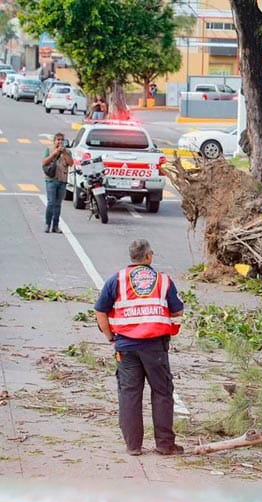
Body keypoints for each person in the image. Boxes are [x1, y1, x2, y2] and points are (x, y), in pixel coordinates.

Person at [94, 239, 185, 456]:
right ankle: (164, 444)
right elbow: (178, 312)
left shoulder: (116, 280)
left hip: (125, 347)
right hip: (155, 347)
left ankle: (133, 446)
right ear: (148, 257)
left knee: (129, 393)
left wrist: (110, 338)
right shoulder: (163, 281)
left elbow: (100, 312)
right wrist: (169, 329)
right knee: (162, 392)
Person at [42, 133, 73, 234]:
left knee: (58, 204)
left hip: (62, 181)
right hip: (51, 180)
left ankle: (55, 226)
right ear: (54, 141)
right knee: (51, 202)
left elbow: (70, 163)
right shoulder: (49, 150)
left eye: (62, 140)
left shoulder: (67, 152)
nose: (60, 142)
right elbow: (44, 162)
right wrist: (54, 154)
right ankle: (47, 224)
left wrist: (64, 153)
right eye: (58, 140)